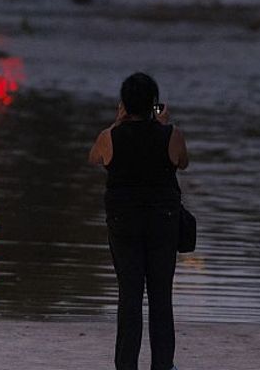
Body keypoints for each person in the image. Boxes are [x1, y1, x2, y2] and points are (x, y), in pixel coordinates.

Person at [88, 72, 189, 370]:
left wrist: (116, 124)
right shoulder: (171, 134)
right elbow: (183, 162)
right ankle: (162, 365)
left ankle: (126, 365)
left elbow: (94, 158)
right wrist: (162, 125)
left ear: (123, 104)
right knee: (161, 298)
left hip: (124, 225)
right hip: (163, 225)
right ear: (154, 103)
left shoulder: (110, 137)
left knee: (129, 297)